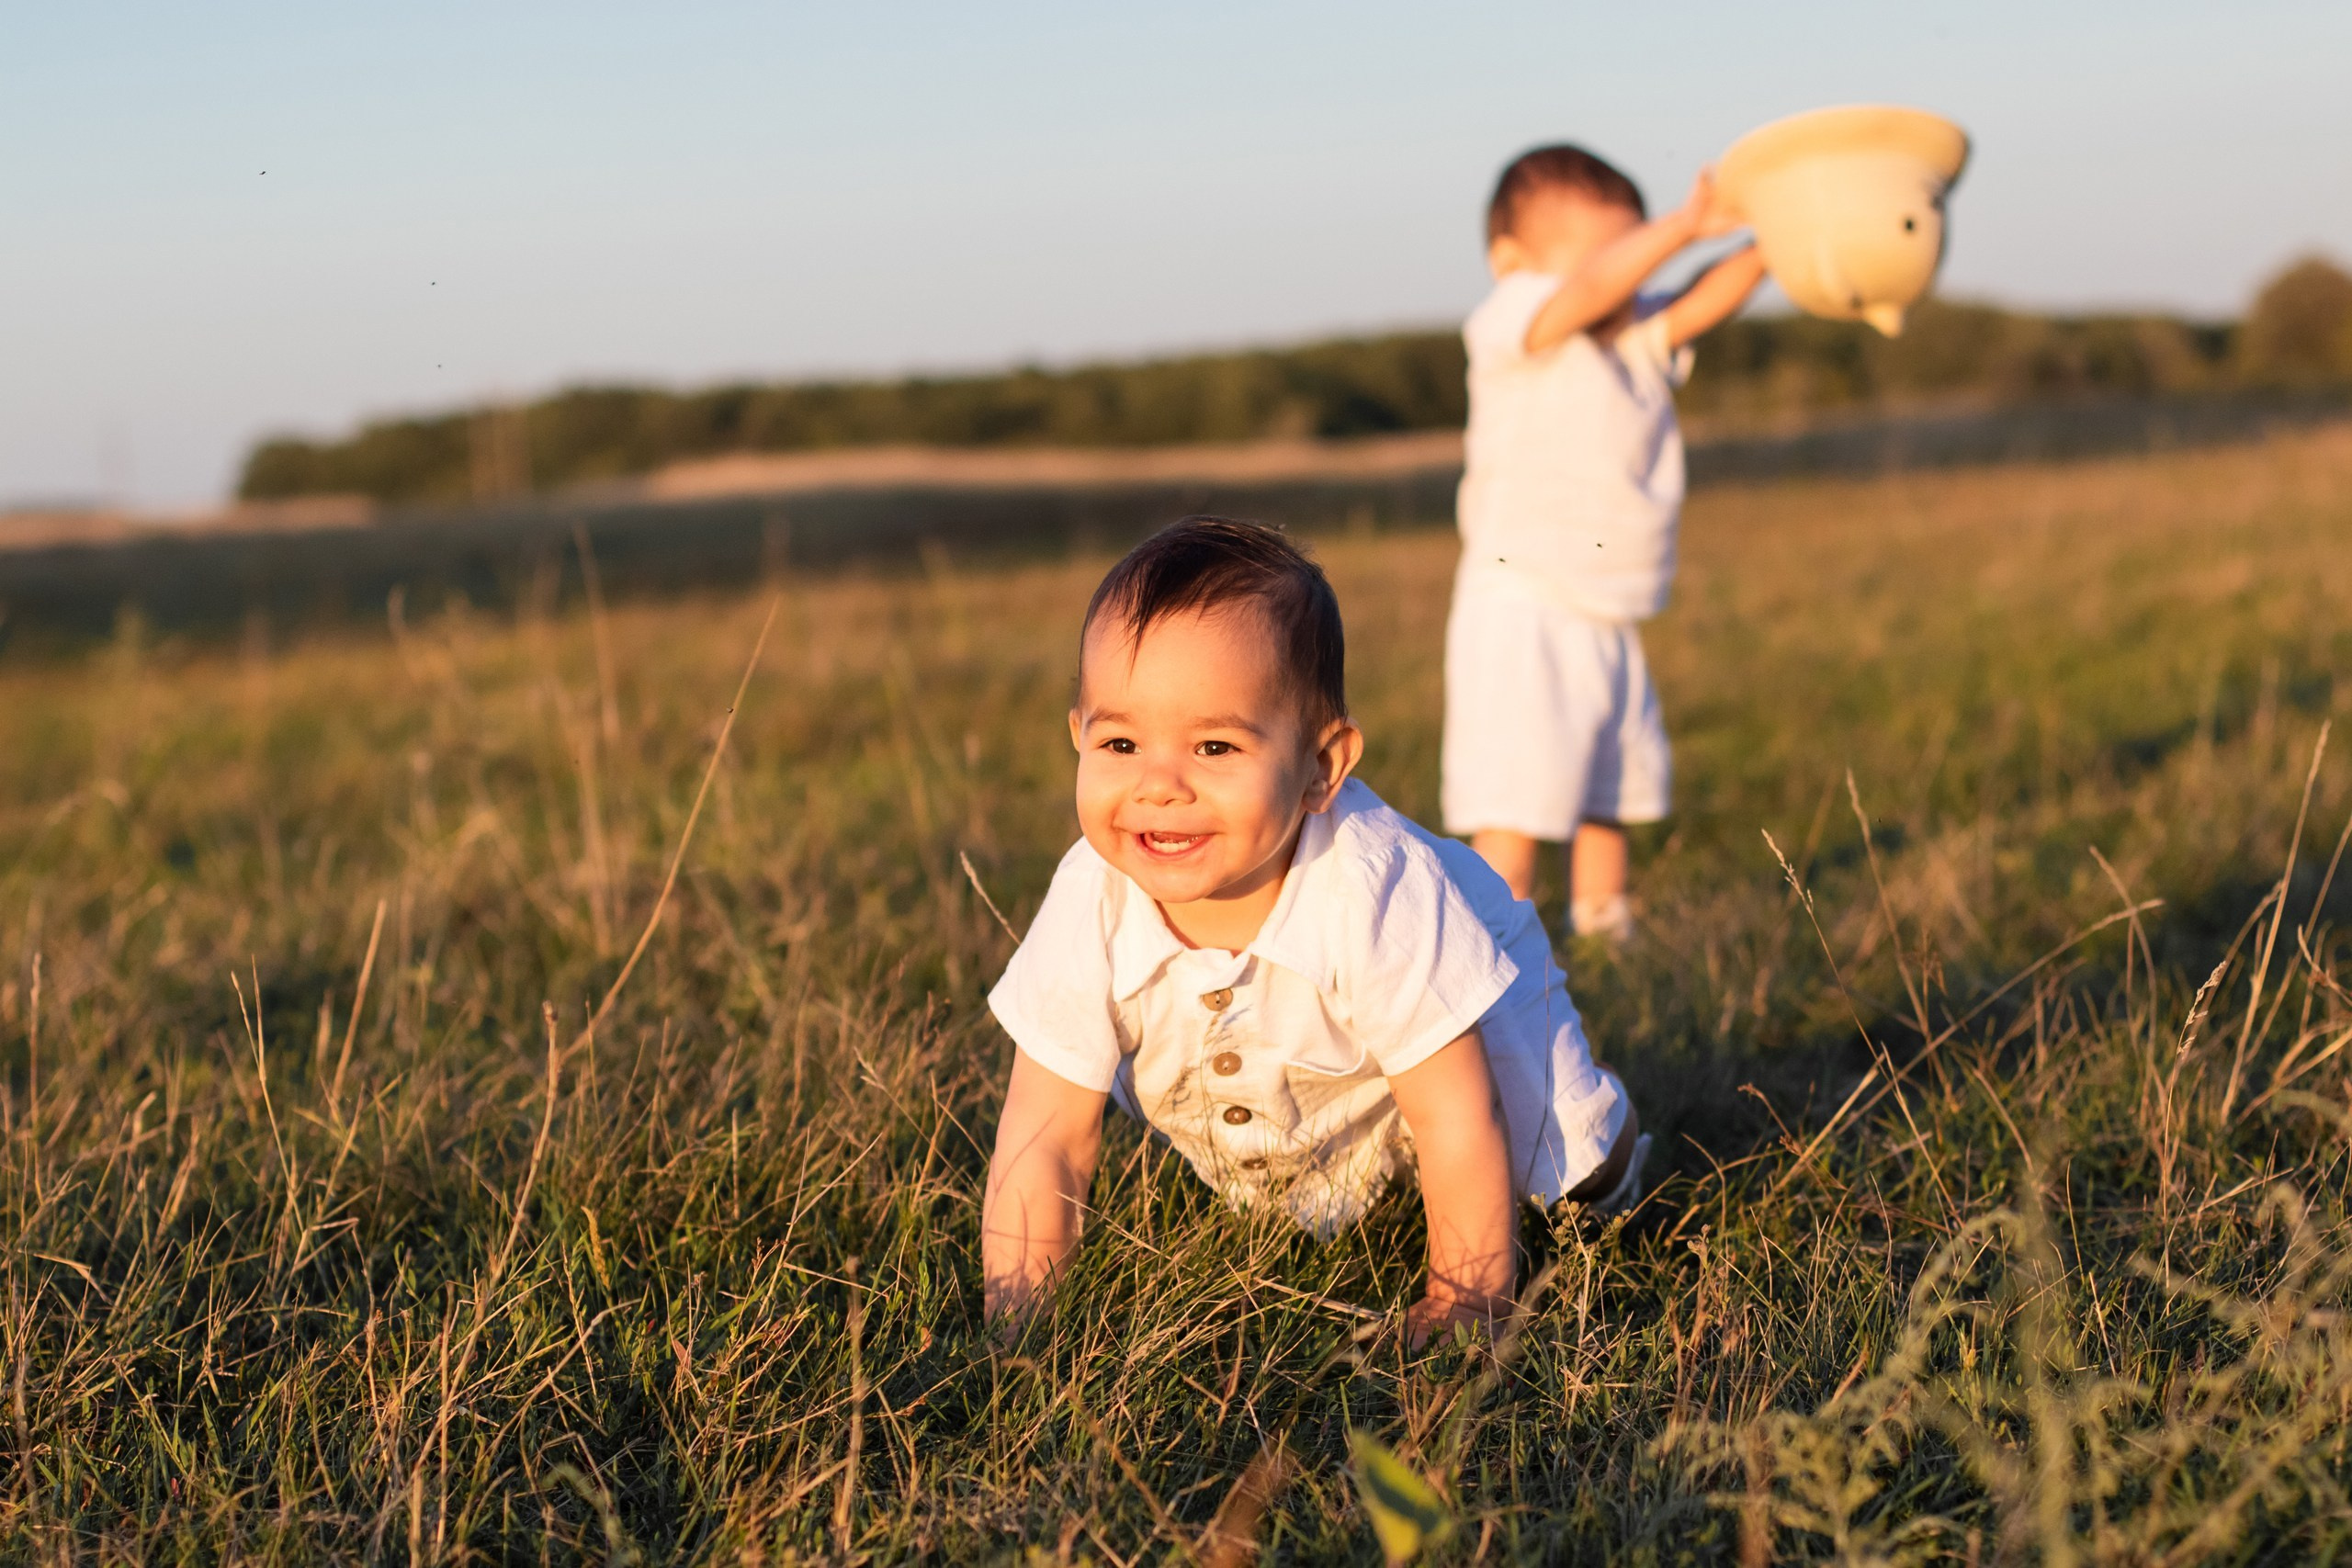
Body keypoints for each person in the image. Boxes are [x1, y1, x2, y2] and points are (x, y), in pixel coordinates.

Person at [981, 516, 1646, 1342]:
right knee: (1306, 1198)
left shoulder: (1373, 889)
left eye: (1214, 746)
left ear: (1321, 770)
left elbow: (1454, 1110)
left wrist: (1467, 1299)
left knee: (1549, 1159)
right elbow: (1045, 1135)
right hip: (1308, 1089)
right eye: (1121, 741)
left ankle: (1605, 1157)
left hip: (1463, 1017)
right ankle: (1346, 1184)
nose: (1159, 785)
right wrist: (1018, 1328)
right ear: (1078, 735)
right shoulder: (1093, 897)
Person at [1445, 145, 1767, 942]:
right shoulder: (1513, 325)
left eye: (1632, 252)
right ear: (1509, 260)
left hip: (1608, 610)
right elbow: (1588, 290)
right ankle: (1498, 939)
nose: (1623, 276)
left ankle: (1603, 922)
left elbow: (1699, 300)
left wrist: (1775, 239)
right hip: (1523, 605)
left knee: (1606, 790)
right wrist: (1684, 225)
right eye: (1610, 256)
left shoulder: (1630, 339)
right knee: (1516, 799)